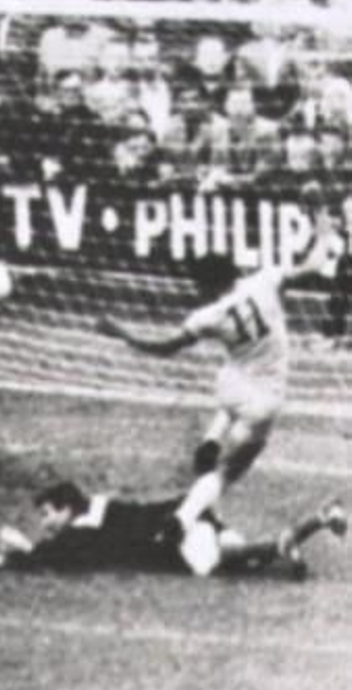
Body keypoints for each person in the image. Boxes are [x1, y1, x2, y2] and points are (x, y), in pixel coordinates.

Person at [97, 217, 337, 540]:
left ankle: (212, 437)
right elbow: (314, 263)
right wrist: (322, 226)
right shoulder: (265, 280)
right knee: (227, 472)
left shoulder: (206, 317)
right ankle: (182, 519)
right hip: (263, 400)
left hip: (231, 389)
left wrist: (122, 333)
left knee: (231, 364)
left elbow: (164, 347)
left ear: (206, 285)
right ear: (234, 272)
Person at [0, 481, 347, 579]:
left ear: (66, 509)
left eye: (48, 514)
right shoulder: (100, 505)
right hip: (191, 514)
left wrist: (10, 553)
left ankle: (304, 530)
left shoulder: (80, 531)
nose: (45, 522)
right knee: (251, 558)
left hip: (179, 543)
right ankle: (315, 523)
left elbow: (49, 559)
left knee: (245, 558)